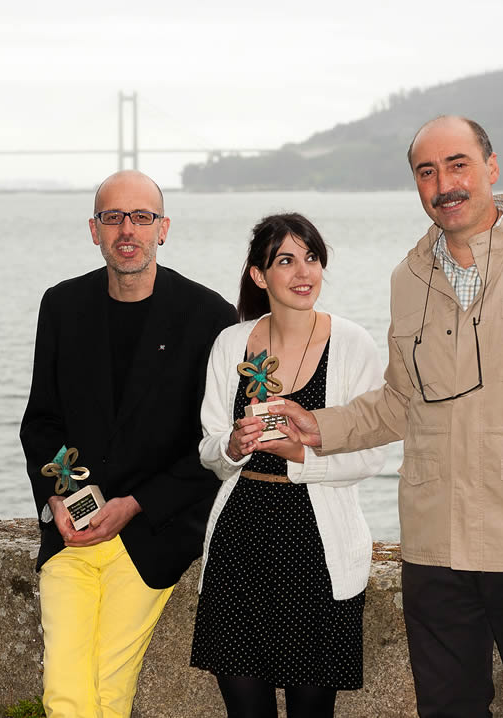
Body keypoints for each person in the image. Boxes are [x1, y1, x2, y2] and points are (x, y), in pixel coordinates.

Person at [271, 116, 503, 717]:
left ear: (492, 168)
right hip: (434, 544)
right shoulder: (408, 278)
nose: (444, 183)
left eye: (458, 164)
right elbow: (401, 400)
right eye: (427, 171)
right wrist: (321, 427)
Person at [19, 169, 237, 718]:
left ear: (164, 228)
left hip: (153, 534)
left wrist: (135, 504)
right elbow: (42, 423)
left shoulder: (208, 316)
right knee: (65, 694)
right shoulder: (62, 306)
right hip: (72, 530)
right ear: (93, 230)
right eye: (113, 217)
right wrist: (61, 499)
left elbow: (212, 445)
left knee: (107, 689)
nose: (127, 230)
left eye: (141, 217)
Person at [190, 213, 386, 718]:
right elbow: (208, 449)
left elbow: (372, 453)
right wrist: (233, 446)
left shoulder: (353, 344)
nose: (304, 273)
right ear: (259, 275)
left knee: (311, 712)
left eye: (312, 258)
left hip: (319, 552)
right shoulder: (231, 344)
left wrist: (300, 456)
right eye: (286, 260)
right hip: (239, 544)